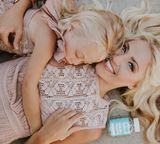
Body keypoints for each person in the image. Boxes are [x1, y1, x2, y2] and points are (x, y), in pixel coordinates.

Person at [0, 0, 160, 144]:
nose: (117, 59)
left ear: (135, 85)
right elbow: (55, 9)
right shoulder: (85, 44)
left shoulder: (92, 125)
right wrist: (18, 8)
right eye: (124, 49)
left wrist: (45, 135)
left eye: (131, 65)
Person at [0, 0, 125, 133]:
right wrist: (37, 130)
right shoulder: (47, 40)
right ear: (72, 28)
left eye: (83, 62)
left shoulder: (67, 34)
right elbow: (28, 84)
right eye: (78, 54)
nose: (75, 62)